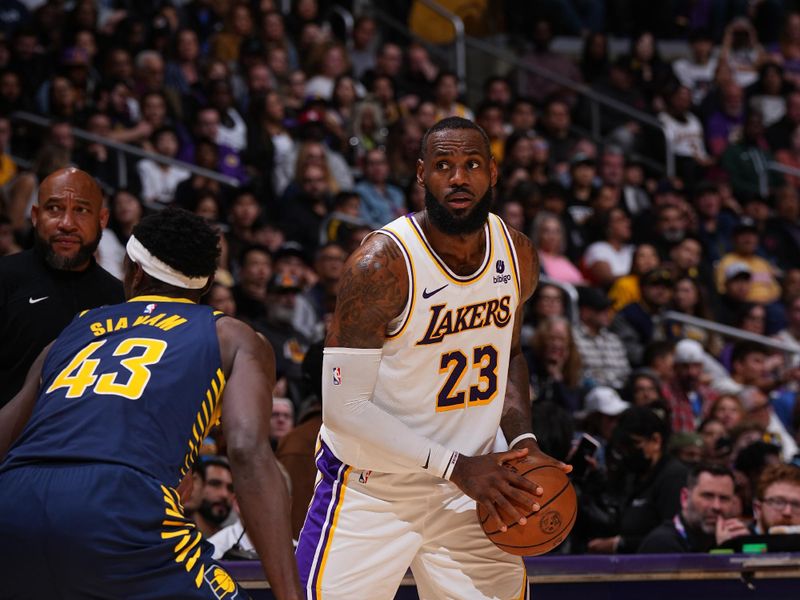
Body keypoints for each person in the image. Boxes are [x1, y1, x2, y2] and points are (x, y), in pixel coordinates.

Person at [295, 117, 568, 599]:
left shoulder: (517, 253)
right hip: (374, 489)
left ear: (494, 173)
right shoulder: (381, 263)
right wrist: (454, 466)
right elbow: (343, 408)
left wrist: (523, 438)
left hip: (475, 489)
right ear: (422, 174)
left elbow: (511, 357)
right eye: (444, 165)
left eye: (472, 165)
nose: (459, 178)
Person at [0, 208, 301, 598]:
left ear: (135, 271)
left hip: (15, 499)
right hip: (116, 502)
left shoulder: (74, 330)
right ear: (207, 284)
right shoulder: (232, 335)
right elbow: (246, 450)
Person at [0, 167, 124, 408]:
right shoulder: (4, 276)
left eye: (82, 210)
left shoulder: (120, 299)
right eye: (54, 208)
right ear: (35, 216)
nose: (67, 224)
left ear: (102, 220)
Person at [638, 464, 748, 553]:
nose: (716, 506)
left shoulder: (728, 537)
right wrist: (723, 551)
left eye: (724, 498)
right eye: (707, 496)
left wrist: (744, 548)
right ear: (685, 498)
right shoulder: (661, 544)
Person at [191, 456, 235, 538]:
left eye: (230, 488)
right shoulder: (176, 539)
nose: (224, 494)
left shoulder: (234, 541)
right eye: (215, 484)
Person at [752, 464, 800, 534]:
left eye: (796, 505)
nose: (787, 512)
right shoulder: (739, 541)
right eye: (778, 502)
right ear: (757, 509)